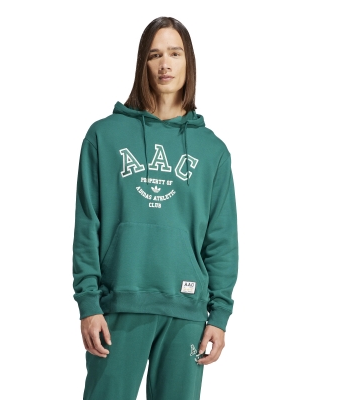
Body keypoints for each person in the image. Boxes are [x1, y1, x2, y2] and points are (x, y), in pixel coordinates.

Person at [72, 16, 239, 400]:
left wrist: (219, 315)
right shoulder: (103, 136)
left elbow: (221, 238)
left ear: (188, 62)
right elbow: (87, 225)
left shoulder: (213, 150)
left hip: (187, 311)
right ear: (142, 64)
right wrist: (88, 303)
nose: (165, 64)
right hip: (118, 303)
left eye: (175, 54)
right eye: (154, 55)